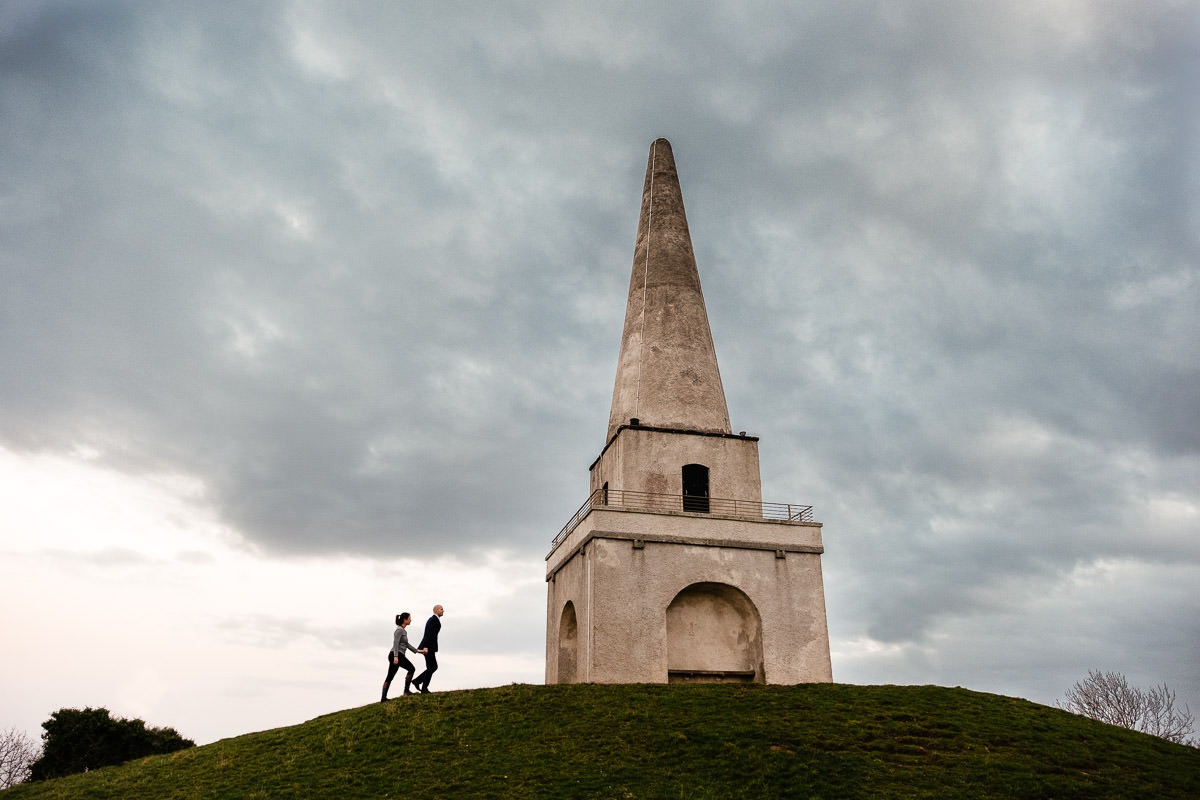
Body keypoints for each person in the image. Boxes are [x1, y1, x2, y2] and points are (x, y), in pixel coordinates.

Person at [381, 612, 426, 702]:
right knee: (411, 669)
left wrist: (419, 651)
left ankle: (383, 698)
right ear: (405, 620)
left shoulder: (403, 631)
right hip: (396, 654)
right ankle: (406, 691)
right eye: (409, 618)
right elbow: (396, 642)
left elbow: (407, 645)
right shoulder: (399, 630)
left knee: (390, 676)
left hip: (397, 655)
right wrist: (396, 657)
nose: (411, 620)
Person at [412, 604, 444, 694]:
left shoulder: (435, 619)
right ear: (436, 610)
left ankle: (418, 681)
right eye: (441, 609)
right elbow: (428, 634)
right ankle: (424, 688)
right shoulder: (433, 620)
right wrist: (425, 647)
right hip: (428, 647)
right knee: (432, 667)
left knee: (432, 667)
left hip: (430, 646)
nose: (443, 611)